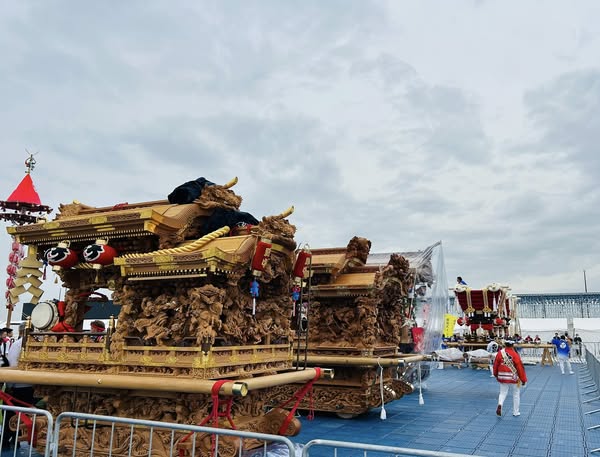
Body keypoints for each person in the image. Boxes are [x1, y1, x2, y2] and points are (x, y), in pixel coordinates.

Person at [2, 324, 34, 450]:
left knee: (12, 416)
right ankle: (15, 440)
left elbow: (12, 365)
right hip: (28, 386)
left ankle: (7, 441)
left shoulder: (17, 345)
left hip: (18, 386)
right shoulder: (32, 345)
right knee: (20, 415)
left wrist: (10, 385)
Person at [493, 339, 527, 417]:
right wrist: (523, 379)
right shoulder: (515, 354)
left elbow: (495, 365)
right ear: (512, 345)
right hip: (513, 377)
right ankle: (516, 412)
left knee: (502, 393)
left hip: (502, 376)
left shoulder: (500, 353)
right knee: (516, 394)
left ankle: (500, 404)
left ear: (505, 344)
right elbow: (520, 368)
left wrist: (495, 374)